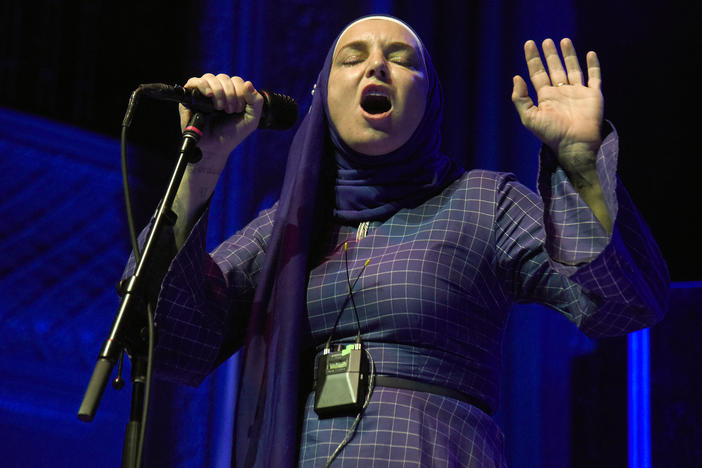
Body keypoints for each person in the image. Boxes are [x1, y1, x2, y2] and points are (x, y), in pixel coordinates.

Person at [126, 15, 669, 467]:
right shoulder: (288, 227)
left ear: (430, 99)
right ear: (323, 96)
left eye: (402, 59)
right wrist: (204, 162)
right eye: (352, 57)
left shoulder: (484, 202)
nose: (376, 66)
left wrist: (578, 157)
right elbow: (166, 338)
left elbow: (622, 302)